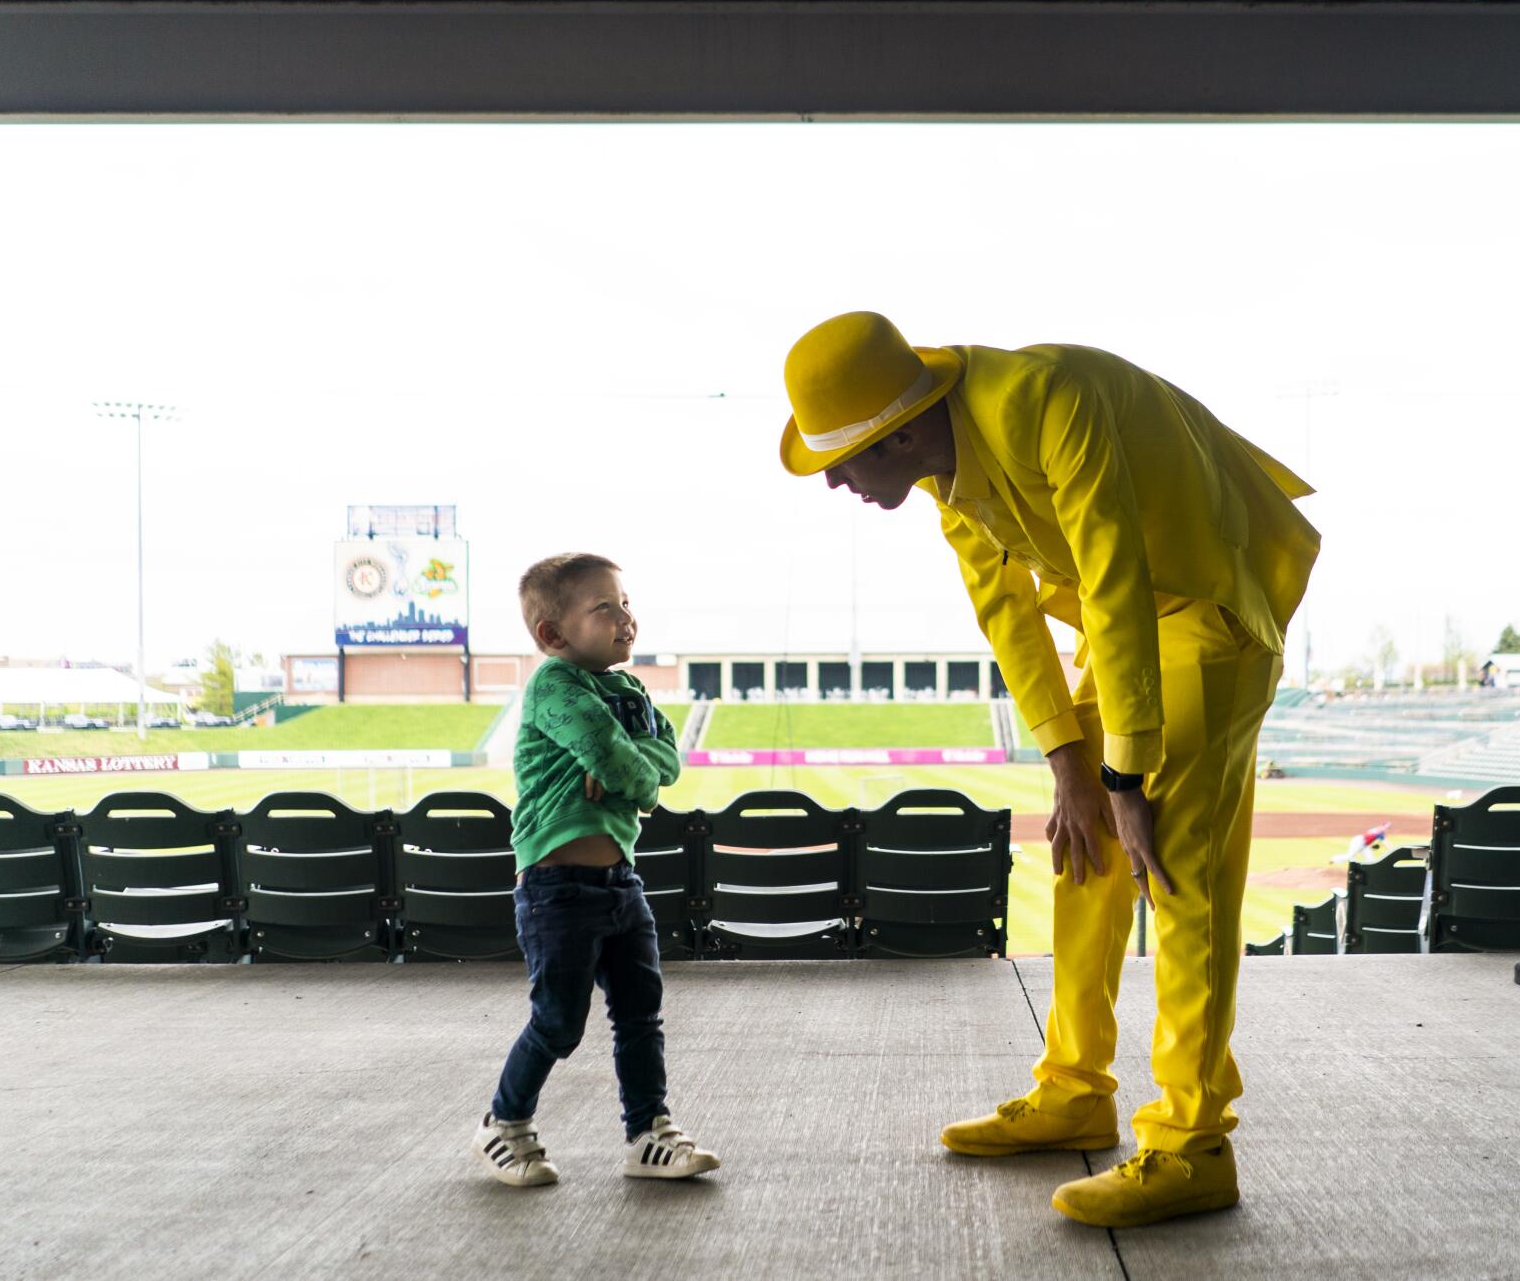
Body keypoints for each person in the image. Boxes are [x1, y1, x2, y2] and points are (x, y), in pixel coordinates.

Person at [779, 312, 1318, 1229]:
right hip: (1136, 624)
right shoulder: (951, 481)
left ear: (902, 430)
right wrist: (1074, 771)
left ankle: (1193, 1145)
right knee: (1087, 850)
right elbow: (1011, 619)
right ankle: (1076, 1087)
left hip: (1209, 599)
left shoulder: (1044, 399)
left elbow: (1110, 569)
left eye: (844, 453)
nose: (832, 475)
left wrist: (1126, 779)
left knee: (1174, 865)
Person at [470, 552, 720, 1187]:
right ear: (553, 635)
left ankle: (647, 1133)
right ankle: (505, 1123)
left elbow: (665, 754)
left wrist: (629, 766)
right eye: (603, 608)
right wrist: (630, 772)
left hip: (619, 883)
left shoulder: (629, 690)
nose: (625, 618)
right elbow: (623, 763)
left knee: (641, 1015)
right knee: (557, 1021)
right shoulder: (555, 685)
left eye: (626, 603)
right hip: (557, 889)